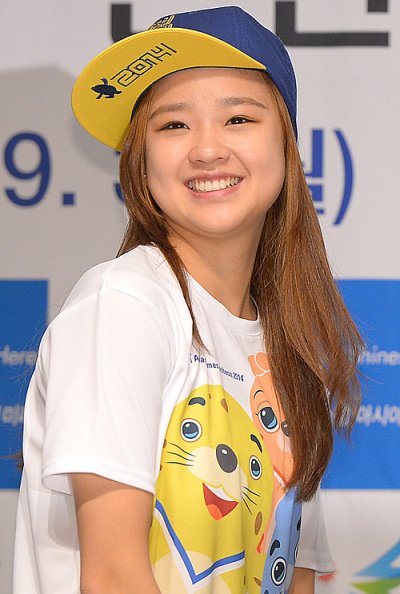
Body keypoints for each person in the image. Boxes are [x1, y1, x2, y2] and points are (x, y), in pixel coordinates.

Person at [13, 6, 363, 594]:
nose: (206, 149)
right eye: (174, 125)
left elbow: (292, 574)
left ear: (287, 144)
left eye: (238, 118)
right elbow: (113, 577)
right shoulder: (124, 302)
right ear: (140, 158)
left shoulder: (285, 353)